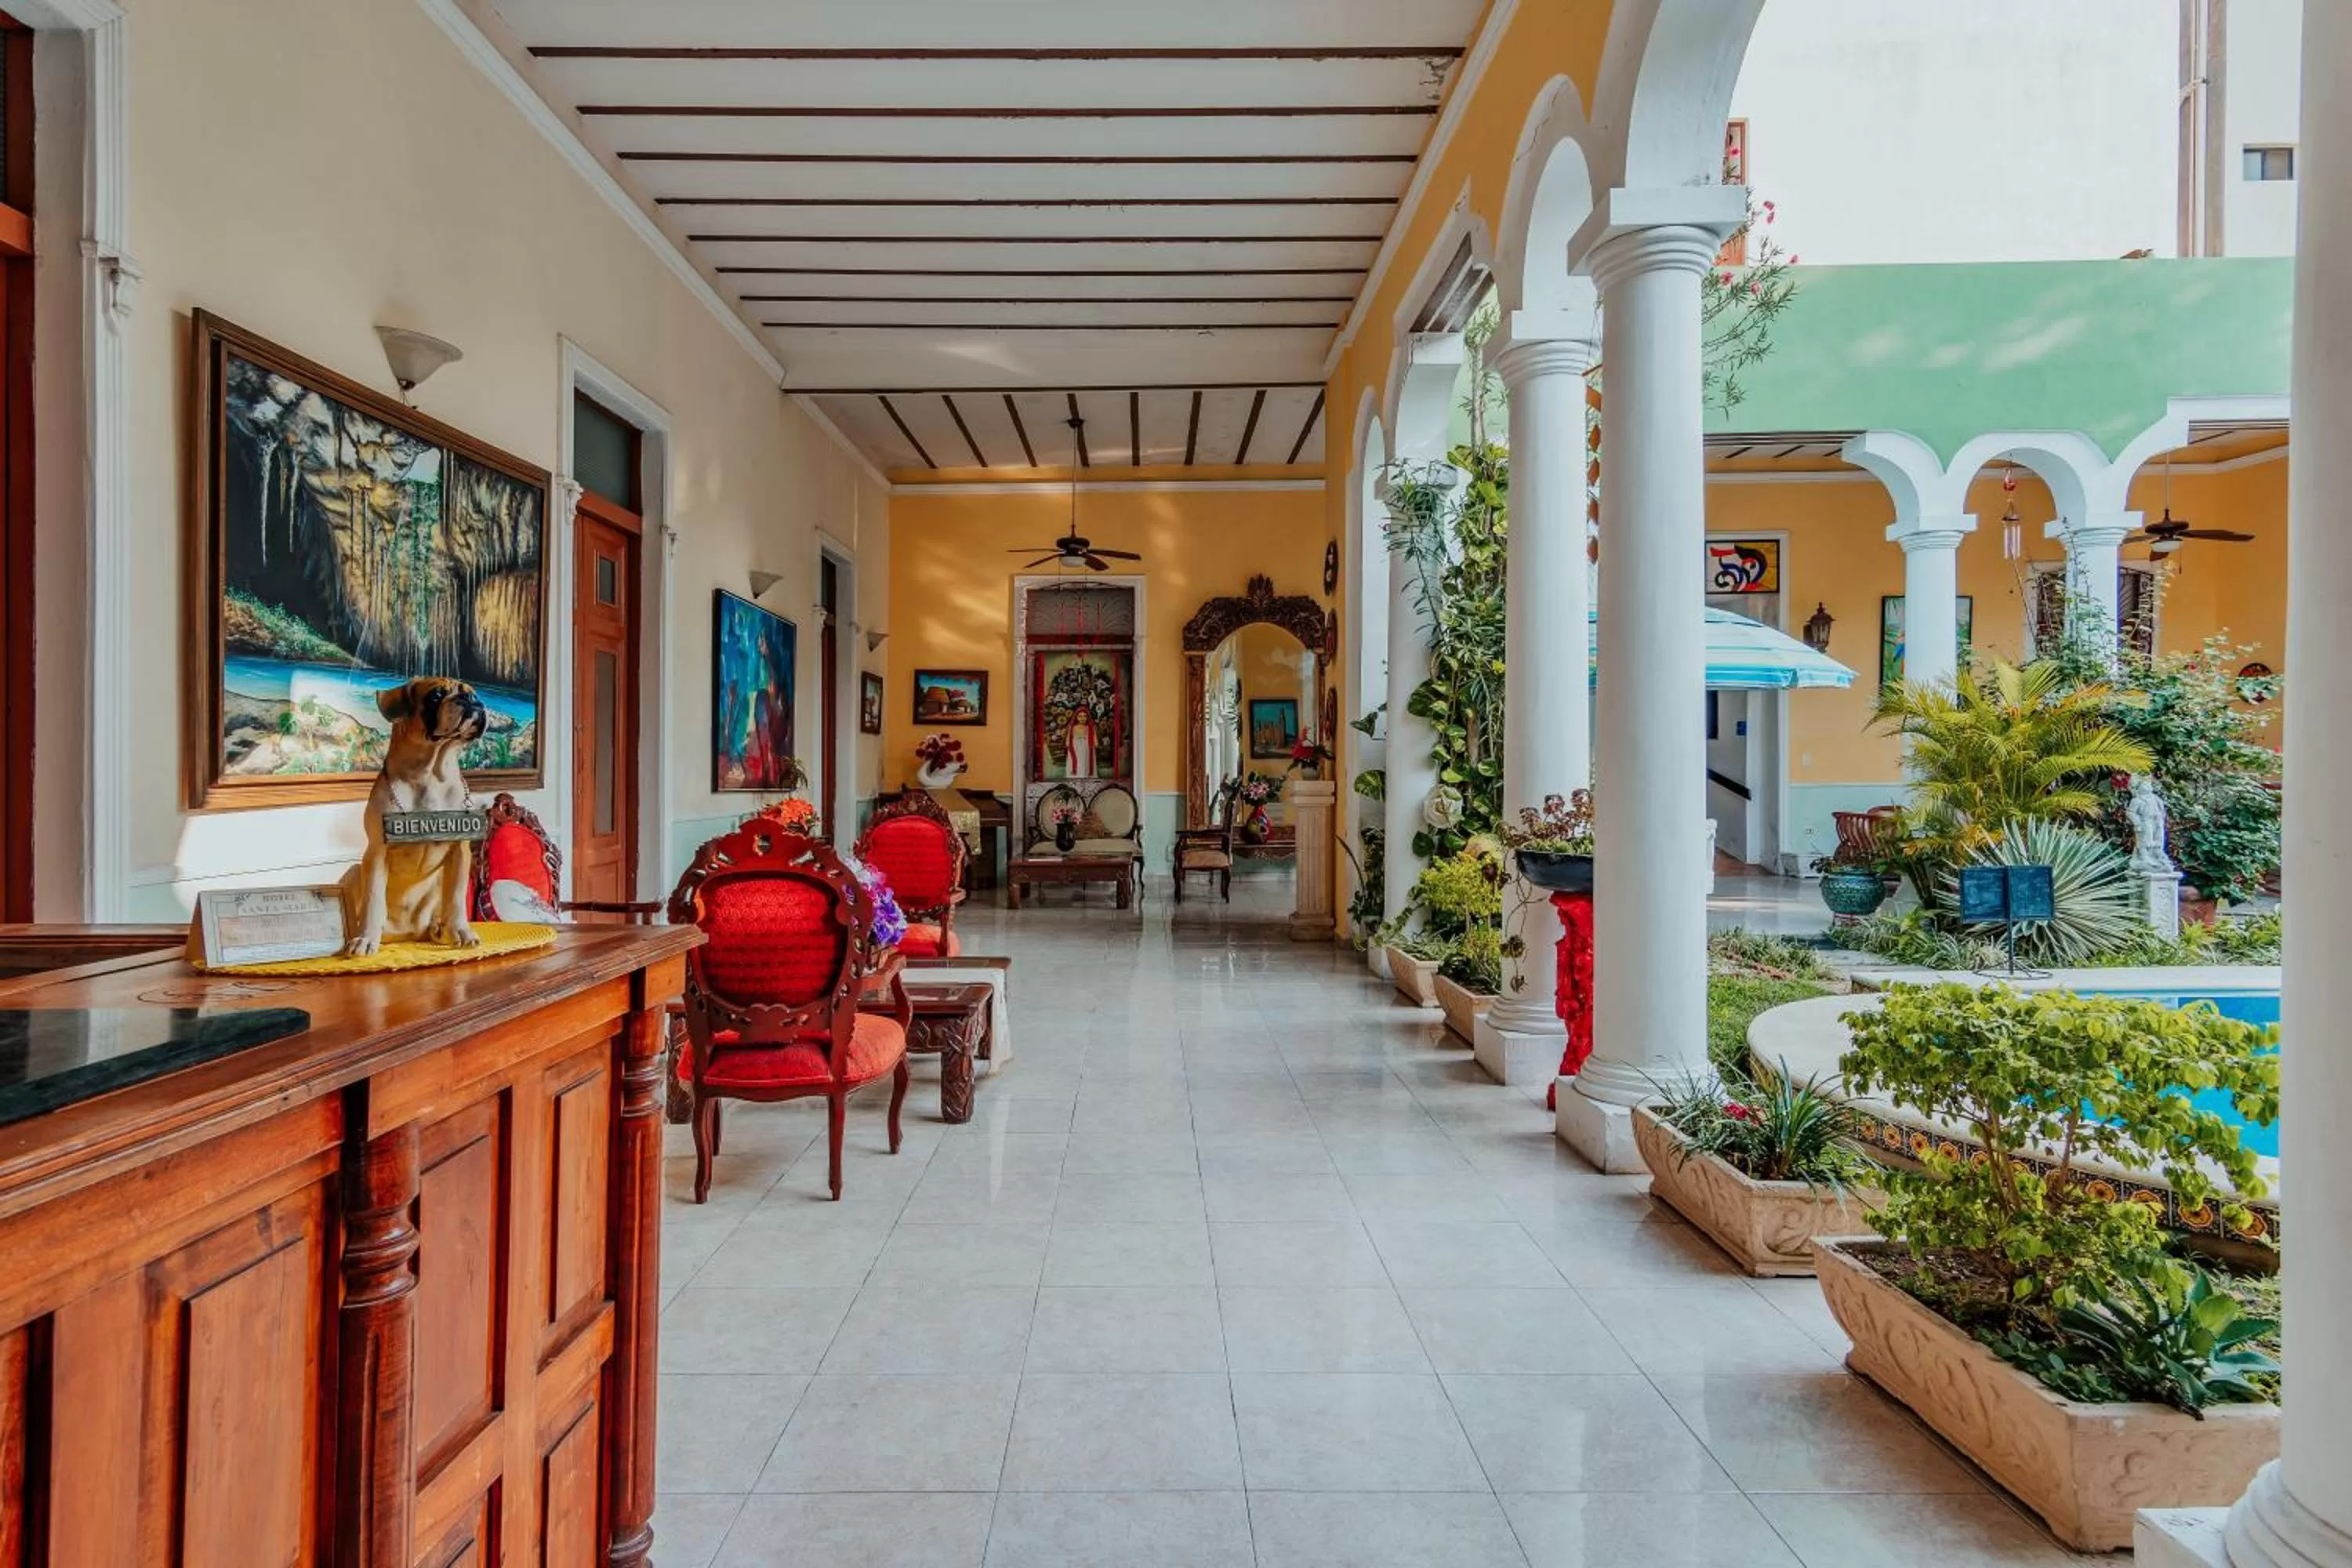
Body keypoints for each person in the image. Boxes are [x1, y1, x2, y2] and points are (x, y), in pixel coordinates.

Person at [1066, 703, 1098, 779]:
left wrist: (1096, 742)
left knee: (1085, 761)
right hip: (1075, 747)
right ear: (1076, 717)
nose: (1082, 718)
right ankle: (1075, 775)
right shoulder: (1073, 727)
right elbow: (1069, 737)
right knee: (1077, 761)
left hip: (1087, 746)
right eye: (1080, 716)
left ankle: (1086, 775)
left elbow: (1094, 736)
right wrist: (1067, 743)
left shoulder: (1090, 727)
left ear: (1088, 717)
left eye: (1085, 716)